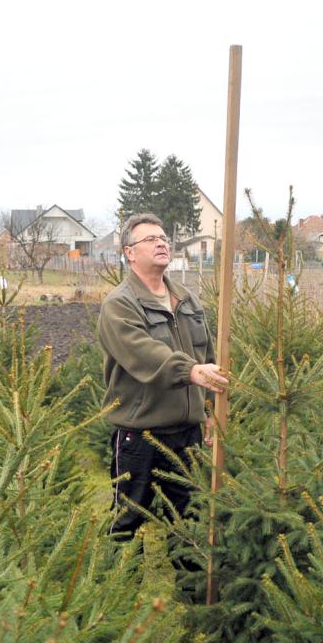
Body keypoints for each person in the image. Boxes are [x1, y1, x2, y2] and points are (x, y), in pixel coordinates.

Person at [97, 212, 228, 544]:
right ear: (129, 252)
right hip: (140, 436)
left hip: (187, 435)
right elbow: (142, 353)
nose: (161, 243)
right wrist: (190, 371)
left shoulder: (186, 300)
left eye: (164, 239)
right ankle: (120, 590)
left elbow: (207, 356)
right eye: (150, 239)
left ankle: (189, 592)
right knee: (126, 519)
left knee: (188, 521)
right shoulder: (120, 304)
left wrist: (211, 410)